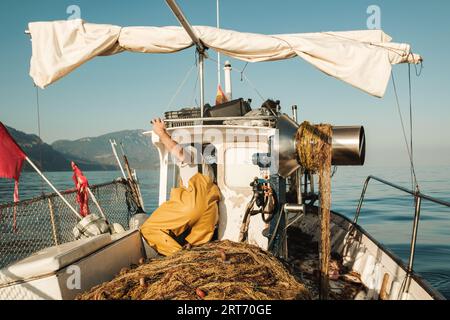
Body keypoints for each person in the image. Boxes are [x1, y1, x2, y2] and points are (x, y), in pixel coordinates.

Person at [140, 118, 221, 256]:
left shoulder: (191, 150)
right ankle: (190, 257)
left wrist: (161, 133)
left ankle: (179, 257)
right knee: (194, 247)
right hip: (210, 212)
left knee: (148, 228)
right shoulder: (206, 164)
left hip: (192, 204)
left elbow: (180, 153)